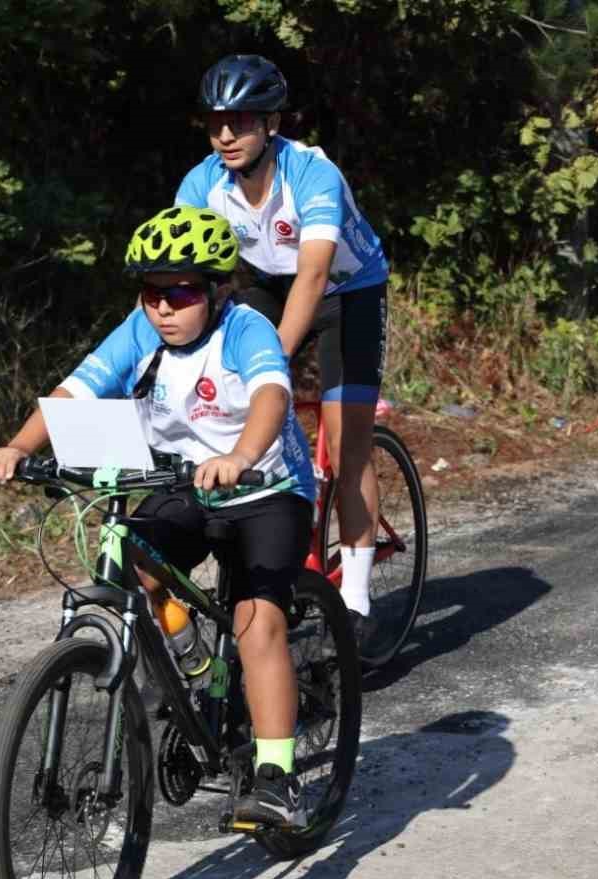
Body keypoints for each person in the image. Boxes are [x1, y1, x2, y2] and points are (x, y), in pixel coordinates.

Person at [0, 205, 318, 828]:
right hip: (185, 482)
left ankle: (278, 780)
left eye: (182, 292)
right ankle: (194, 658)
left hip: (264, 488)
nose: (164, 307)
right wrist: (21, 447)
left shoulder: (245, 330)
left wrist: (241, 454)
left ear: (219, 291)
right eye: (151, 293)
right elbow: (76, 391)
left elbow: (272, 395)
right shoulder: (142, 331)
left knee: (255, 623)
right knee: (130, 555)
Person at [175, 54, 390, 641]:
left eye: (240, 122)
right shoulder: (202, 183)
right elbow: (180, 274)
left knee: (347, 445)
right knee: (237, 408)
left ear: (271, 124)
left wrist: (272, 365)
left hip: (348, 292)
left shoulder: (313, 175)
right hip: (272, 285)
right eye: (216, 122)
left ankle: (356, 597)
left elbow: (316, 276)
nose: (225, 135)